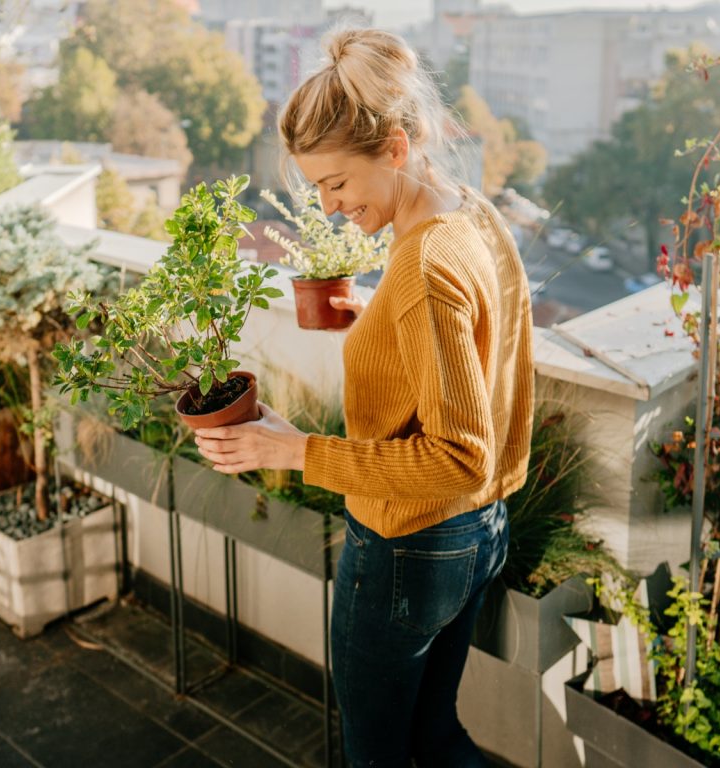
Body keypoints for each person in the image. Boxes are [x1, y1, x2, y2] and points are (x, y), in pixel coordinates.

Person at [192, 27, 534, 768]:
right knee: (434, 736)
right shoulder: (468, 213)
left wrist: (292, 450)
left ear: (397, 150)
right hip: (478, 535)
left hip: (410, 544)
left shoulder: (424, 270)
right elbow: (480, 335)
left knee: (378, 753)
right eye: (316, 188)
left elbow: (456, 457)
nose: (328, 205)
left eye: (337, 184)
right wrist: (375, 316)